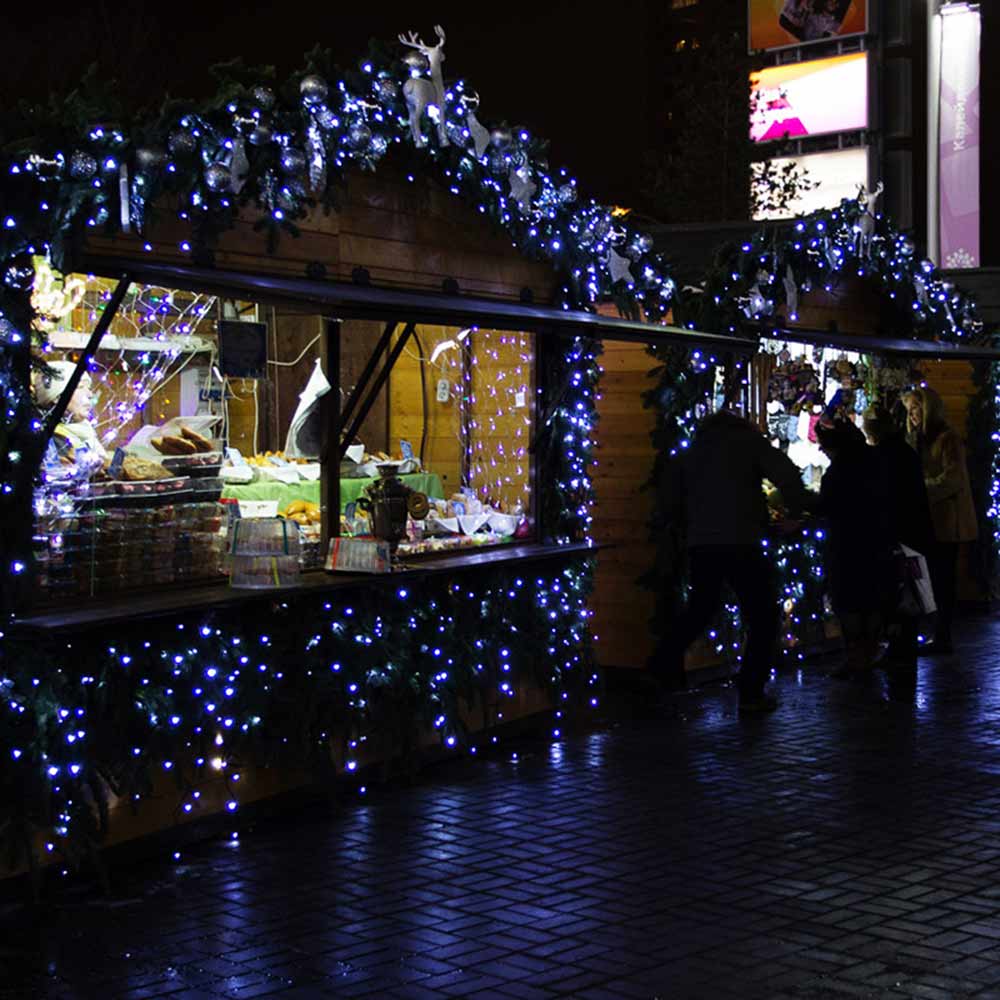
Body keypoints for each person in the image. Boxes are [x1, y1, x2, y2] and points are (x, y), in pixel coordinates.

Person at [651, 408, 813, 714]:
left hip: (703, 543)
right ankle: (751, 690)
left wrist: (684, 525)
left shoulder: (694, 449)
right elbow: (788, 475)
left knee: (700, 609)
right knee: (763, 615)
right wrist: (795, 512)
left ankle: (659, 666)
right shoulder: (749, 443)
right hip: (742, 540)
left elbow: (671, 498)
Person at [814, 418, 894, 675]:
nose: (821, 450)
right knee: (871, 599)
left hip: (846, 544)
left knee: (848, 601)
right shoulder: (875, 461)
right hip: (876, 540)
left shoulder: (838, 472)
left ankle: (856, 657)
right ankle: (869, 652)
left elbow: (826, 506)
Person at [903, 386, 978, 654]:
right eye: (909, 411)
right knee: (931, 578)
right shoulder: (918, 439)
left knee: (942, 578)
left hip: (948, 520)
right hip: (931, 520)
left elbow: (953, 479)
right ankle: (937, 631)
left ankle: (942, 633)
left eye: (915, 409)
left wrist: (921, 488)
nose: (911, 415)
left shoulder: (947, 439)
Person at [862, 405, 935, 668]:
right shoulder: (905, 452)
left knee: (896, 591)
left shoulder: (882, 456)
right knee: (910, 589)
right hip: (913, 532)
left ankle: (898, 648)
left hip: (896, 533)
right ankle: (904, 647)